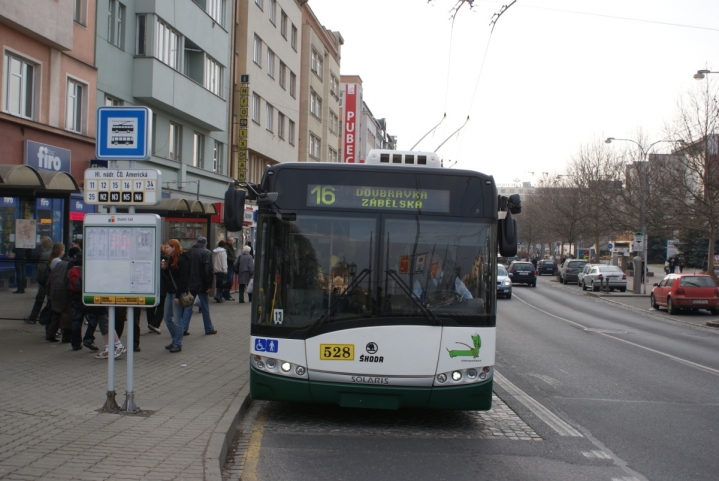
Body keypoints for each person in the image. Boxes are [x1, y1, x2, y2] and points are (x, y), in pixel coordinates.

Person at [183, 236, 217, 335]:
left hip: (191, 283)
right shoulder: (206, 252)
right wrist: (209, 285)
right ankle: (208, 328)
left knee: (188, 306)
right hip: (202, 284)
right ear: (204, 244)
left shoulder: (189, 252)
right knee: (205, 307)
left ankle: (183, 328)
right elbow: (207, 270)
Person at [164, 239, 191, 353]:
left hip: (178, 293)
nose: (166, 249)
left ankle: (178, 343)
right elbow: (169, 278)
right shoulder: (170, 259)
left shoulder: (181, 260)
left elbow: (182, 279)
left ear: (174, 248)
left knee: (177, 319)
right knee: (167, 318)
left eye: (168, 247)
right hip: (170, 292)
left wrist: (178, 295)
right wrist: (164, 268)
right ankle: (175, 339)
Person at [27, 236, 53, 323]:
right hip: (51, 281)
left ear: (42, 246)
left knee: (39, 299)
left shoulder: (44, 254)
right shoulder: (53, 253)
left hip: (44, 281)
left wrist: (40, 279)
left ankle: (33, 318)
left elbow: (41, 269)